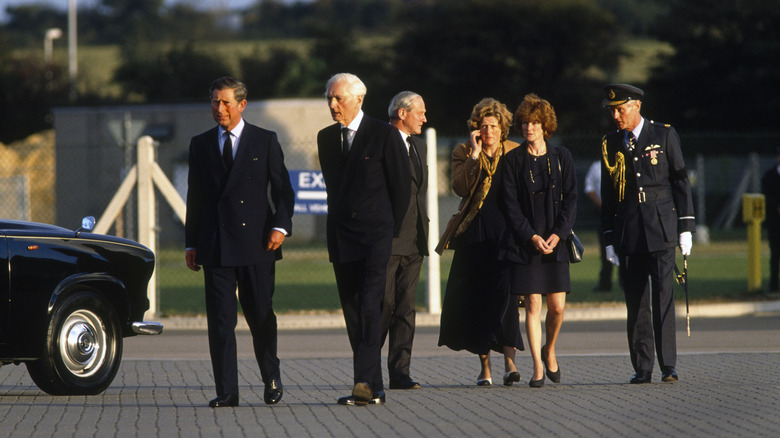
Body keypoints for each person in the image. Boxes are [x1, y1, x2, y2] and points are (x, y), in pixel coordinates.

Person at [184, 76, 295, 407]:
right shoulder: (200, 144)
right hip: (216, 245)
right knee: (220, 322)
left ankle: (271, 376)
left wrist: (280, 226)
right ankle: (227, 390)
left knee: (261, 316)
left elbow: (283, 190)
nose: (219, 109)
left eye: (226, 102)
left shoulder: (264, 140)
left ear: (242, 105)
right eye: (215, 102)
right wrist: (192, 243)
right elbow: (196, 198)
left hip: (257, 244)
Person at [317, 73, 411, 406]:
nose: (332, 104)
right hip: (342, 238)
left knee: (372, 305)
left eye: (338, 98)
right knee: (354, 311)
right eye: (329, 98)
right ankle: (375, 385)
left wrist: (387, 230)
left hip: (375, 236)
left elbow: (402, 190)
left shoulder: (384, 135)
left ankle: (362, 382)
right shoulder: (325, 138)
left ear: (359, 98)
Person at [599, 83, 695, 384]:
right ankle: (642, 366)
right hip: (629, 229)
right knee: (636, 300)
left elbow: (680, 182)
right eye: (613, 110)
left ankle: (668, 365)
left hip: (661, 226)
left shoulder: (663, 134)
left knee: (664, 296)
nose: (616, 115)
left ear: (637, 106)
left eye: (621, 109)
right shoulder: (610, 142)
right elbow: (608, 194)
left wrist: (686, 227)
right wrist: (609, 238)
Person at [436, 98, 524, 387]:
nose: (488, 131)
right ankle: (484, 367)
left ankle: (510, 363)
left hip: (506, 235)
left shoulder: (514, 151)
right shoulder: (464, 151)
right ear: (476, 129)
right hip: (474, 233)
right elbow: (460, 187)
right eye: (483, 126)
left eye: (494, 126)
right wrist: (475, 155)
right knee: (478, 300)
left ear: (503, 129)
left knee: (508, 299)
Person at [498, 94, 576, 388]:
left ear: (546, 125)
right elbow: (510, 205)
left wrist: (560, 233)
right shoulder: (512, 160)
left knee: (556, 307)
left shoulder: (562, 157)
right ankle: (536, 367)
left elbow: (571, 199)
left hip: (556, 240)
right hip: (525, 241)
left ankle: (550, 348)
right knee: (532, 303)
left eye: (535, 122)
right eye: (525, 122)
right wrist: (530, 236)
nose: (529, 127)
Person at [381, 91, 429, 390]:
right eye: (420, 112)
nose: (425, 118)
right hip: (387, 240)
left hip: (415, 240)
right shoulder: (380, 142)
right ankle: (368, 371)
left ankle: (400, 372)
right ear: (402, 113)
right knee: (382, 307)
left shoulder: (420, 146)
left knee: (406, 309)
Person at [585, 160, 616, 292]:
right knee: (606, 249)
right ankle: (605, 282)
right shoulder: (596, 166)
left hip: (624, 213)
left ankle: (626, 282)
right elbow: (589, 189)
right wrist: (604, 207)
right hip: (604, 214)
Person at [761, 148, 780, 292]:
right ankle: (774, 285)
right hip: (775, 222)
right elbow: (766, 197)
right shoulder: (769, 176)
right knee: (775, 255)